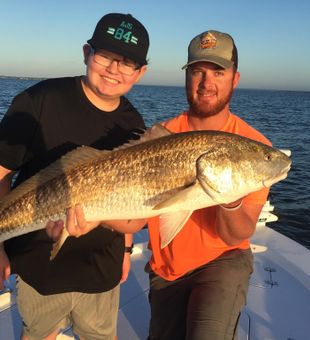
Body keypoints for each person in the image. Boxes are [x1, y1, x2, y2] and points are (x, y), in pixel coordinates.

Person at [47, 30, 272, 340]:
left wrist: (230, 197)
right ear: (187, 77)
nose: (206, 82)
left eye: (218, 72)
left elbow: (238, 232)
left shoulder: (254, 147)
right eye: (197, 71)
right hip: (167, 268)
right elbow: (137, 216)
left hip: (223, 262)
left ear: (235, 78)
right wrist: (95, 216)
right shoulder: (159, 135)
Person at [0, 12, 149, 340]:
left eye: (127, 62)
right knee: (38, 333)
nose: (113, 69)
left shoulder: (133, 126)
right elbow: (1, 171)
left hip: (100, 270)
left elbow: (130, 195)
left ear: (140, 72)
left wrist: (125, 250)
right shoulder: (38, 102)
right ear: (86, 53)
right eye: (106, 55)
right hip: (38, 265)